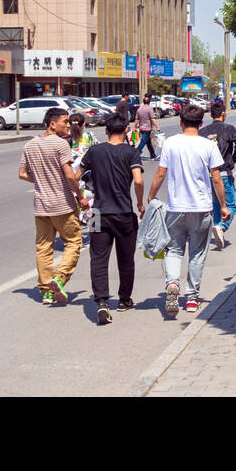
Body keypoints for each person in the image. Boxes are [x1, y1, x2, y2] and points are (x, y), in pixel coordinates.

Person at [146, 102, 229, 316]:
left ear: (181, 122)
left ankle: (172, 284)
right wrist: (223, 205)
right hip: (201, 209)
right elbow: (217, 178)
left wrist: (150, 196)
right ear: (201, 124)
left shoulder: (171, 144)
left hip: (175, 209)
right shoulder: (208, 146)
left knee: (174, 250)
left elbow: (160, 174)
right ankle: (192, 299)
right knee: (197, 254)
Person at [80, 114, 145, 324]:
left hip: (98, 212)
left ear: (106, 130)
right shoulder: (131, 152)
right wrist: (140, 202)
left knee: (98, 259)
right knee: (125, 259)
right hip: (124, 213)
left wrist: (81, 198)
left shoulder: (94, 151)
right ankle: (124, 300)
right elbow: (138, 179)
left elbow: (74, 177)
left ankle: (101, 302)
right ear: (126, 129)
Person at [18, 106, 86, 305]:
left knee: (43, 248)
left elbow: (22, 174)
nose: (68, 125)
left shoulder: (29, 145)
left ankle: (46, 292)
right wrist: (80, 196)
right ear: (52, 124)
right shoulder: (61, 144)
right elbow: (69, 176)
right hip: (62, 204)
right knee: (73, 242)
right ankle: (60, 278)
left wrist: (41, 181)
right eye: (65, 121)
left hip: (41, 206)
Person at [198, 100, 236, 249]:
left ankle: (218, 229)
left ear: (211, 115)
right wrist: (233, 159)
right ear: (223, 114)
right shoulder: (228, 128)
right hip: (223, 173)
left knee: (216, 205)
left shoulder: (203, 132)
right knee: (231, 204)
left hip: (208, 175)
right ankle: (222, 227)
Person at [66, 112, 95, 246]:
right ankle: (95, 233)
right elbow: (97, 151)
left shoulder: (65, 139)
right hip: (86, 177)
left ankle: (74, 239)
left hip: (69, 178)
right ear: (84, 124)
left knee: (74, 208)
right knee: (97, 200)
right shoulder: (88, 136)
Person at [135, 94, 158, 160]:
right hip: (147, 128)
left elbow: (136, 119)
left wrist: (135, 127)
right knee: (143, 142)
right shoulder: (149, 109)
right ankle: (136, 153)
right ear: (149, 101)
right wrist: (157, 127)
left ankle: (152, 154)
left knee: (148, 143)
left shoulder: (139, 109)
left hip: (141, 128)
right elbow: (152, 119)